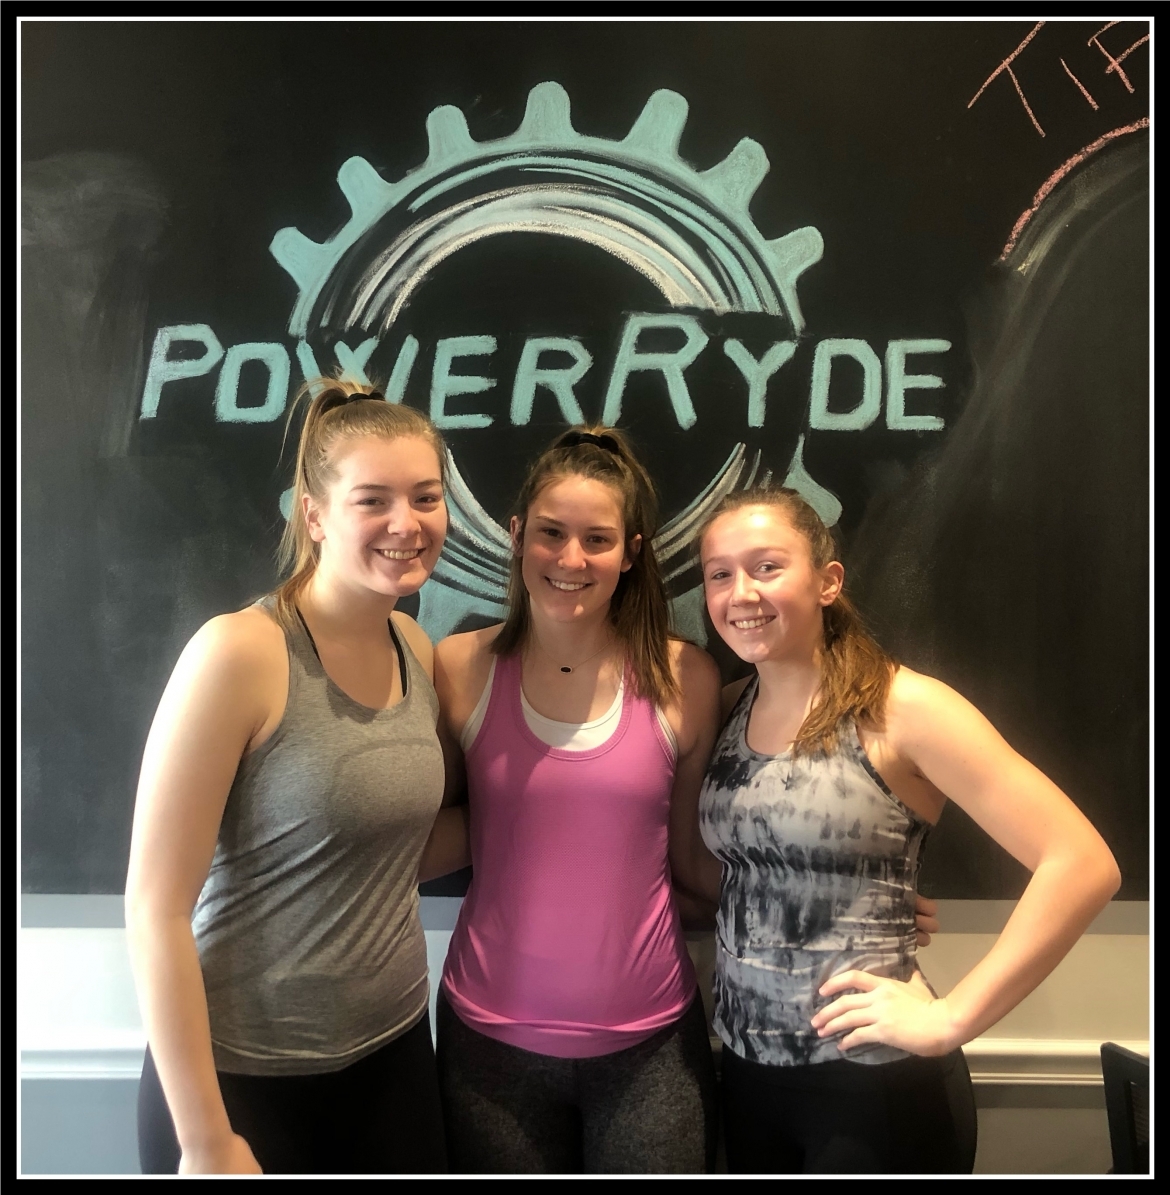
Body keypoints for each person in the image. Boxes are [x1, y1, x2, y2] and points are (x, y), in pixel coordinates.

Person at [430, 428, 943, 1174]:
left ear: (632, 551)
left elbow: (699, 858)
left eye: (598, 539)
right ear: (516, 536)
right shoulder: (456, 666)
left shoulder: (687, 677)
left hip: (650, 1047)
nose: (572, 559)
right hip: (488, 1042)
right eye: (550, 533)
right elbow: (408, 819)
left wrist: (848, 896)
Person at [679, 486, 1121, 1174]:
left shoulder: (902, 708)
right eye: (719, 572)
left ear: (827, 582)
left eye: (767, 566)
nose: (742, 591)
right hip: (747, 1073)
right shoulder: (732, 708)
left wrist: (953, 1018)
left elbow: (1083, 861)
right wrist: (855, 897)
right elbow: (747, 870)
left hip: (872, 1088)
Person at [124, 380, 466, 1175]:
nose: (406, 523)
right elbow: (154, 908)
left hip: (392, 1060)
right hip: (243, 1081)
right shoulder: (239, 653)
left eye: (425, 496)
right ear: (313, 513)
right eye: (372, 499)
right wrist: (206, 1140)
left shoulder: (415, 650)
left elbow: (400, 846)